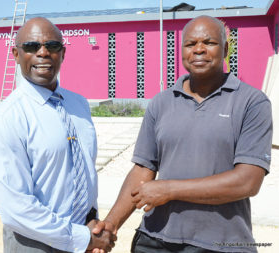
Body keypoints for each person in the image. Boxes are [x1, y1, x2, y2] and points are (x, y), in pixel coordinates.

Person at [93, 15, 273, 253]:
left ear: (226, 48)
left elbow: (247, 182)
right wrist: (110, 226)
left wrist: (168, 189)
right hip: (154, 240)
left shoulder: (252, 102)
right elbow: (142, 170)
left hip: (220, 243)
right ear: (182, 50)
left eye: (209, 42)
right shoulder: (161, 102)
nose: (199, 50)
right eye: (190, 44)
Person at [0, 17, 115, 253]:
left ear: (63, 53)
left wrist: (91, 222)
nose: (43, 53)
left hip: (83, 233)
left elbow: (84, 170)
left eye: (52, 46)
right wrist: (80, 238)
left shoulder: (79, 105)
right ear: (16, 54)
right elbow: (16, 207)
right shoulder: (9, 118)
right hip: (35, 243)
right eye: (32, 47)